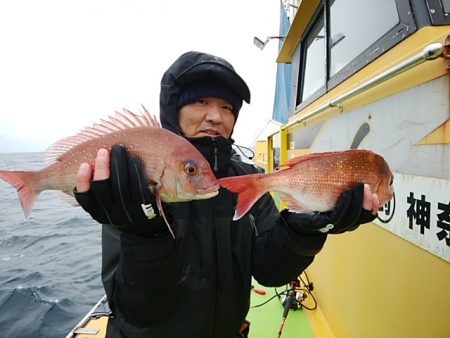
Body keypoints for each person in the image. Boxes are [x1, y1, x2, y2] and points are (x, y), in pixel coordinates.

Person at [74, 51, 380, 338]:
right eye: (201, 101)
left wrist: (306, 229)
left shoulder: (246, 178)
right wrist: (144, 237)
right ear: (173, 109)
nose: (216, 117)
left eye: (227, 107)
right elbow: (135, 310)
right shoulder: (136, 181)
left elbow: (269, 270)